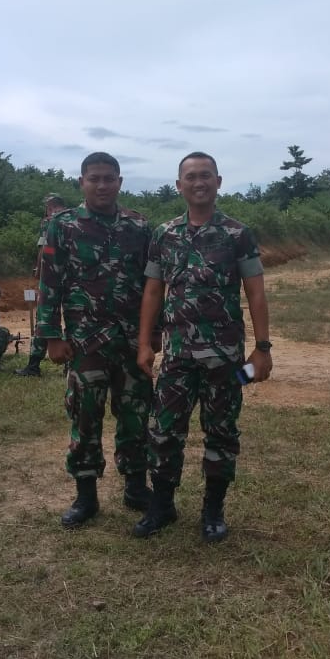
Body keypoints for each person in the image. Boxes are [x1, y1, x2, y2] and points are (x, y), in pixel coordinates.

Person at [133, 151, 273, 542]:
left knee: (222, 432)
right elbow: (153, 291)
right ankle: (162, 505)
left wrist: (262, 348)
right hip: (176, 357)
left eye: (206, 175)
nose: (199, 182)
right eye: (191, 176)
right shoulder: (164, 234)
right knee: (163, 431)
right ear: (179, 185)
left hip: (226, 359)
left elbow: (256, 293)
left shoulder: (237, 234)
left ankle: (213, 510)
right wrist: (144, 343)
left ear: (218, 182)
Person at [36, 152, 154, 528]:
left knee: (136, 415)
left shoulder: (139, 226)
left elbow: (153, 286)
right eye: (94, 178)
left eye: (109, 178)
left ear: (120, 182)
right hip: (85, 342)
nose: (102, 185)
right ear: (82, 182)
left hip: (131, 341)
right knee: (85, 416)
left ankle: (136, 487)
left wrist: (152, 337)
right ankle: (85, 495)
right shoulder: (62, 226)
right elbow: (49, 282)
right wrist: (51, 337)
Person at [15, 193, 68, 377]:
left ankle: (34, 365)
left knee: (44, 320)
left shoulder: (49, 222)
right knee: (71, 320)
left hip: (51, 277)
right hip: (72, 277)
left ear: (49, 206)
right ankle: (69, 366)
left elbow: (44, 249)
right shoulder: (73, 219)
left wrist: (39, 269)